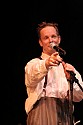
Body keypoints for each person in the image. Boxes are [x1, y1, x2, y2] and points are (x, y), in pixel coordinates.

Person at [24, 21, 83, 125]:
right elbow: (31, 78)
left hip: (65, 116)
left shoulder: (68, 68)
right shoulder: (34, 63)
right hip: (41, 116)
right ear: (40, 42)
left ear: (59, 39)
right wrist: (46, 64)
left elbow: (79, 96)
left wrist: (71, 80)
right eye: (46, 38)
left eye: (53, 36)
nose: (50, 40)